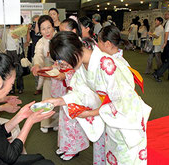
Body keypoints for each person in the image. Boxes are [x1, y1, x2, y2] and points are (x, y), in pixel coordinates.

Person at [44, 30, 151, 165]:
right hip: (111, 117)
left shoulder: (106, 64)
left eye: (63, 62)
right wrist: (58, 101)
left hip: (127, 120)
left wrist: (91, 113)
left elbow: (122, 101)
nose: (62, 67)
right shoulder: (82, 65)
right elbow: (81, 92)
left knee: (126, 159)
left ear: (74, 53)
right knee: (112, 157)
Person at [52, 18, 89, 160]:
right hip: (70, 87)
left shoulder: (81, 46)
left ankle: (74, 148)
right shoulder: (68, 45)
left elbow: (79, 72)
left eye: (63, 31)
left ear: (73, 31)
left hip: (79, 89)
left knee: (73, 120)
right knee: (64, 119)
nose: (61, 34)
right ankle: (65, 145)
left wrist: (65, 73)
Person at [31, 15, 58, 133]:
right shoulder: (40, 42)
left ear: (53, 27)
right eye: (43, 29)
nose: (46, 31)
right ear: (39, 30)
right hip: (47, 72)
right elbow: (38, 56)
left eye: (49, 27)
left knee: (59, 97)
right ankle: (46, 123)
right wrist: (37, 65)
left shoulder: (59, 38)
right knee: (47, 96)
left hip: (61, 72)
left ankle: (57, 122)